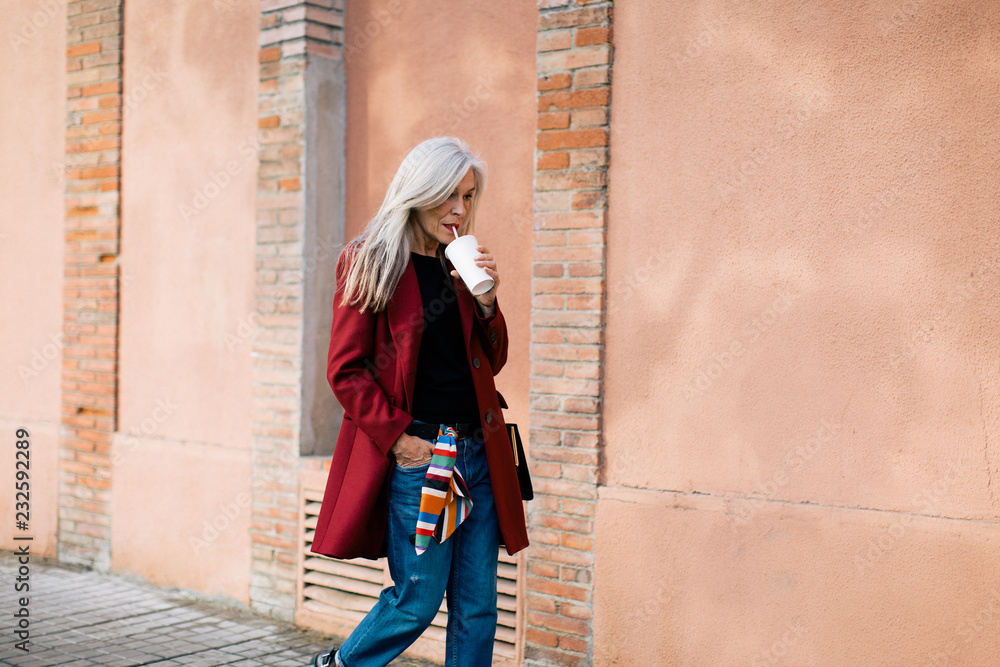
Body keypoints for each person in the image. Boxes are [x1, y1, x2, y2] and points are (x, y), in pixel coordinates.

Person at [309, 136, 529, 667]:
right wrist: (401, 440)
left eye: (469, 197)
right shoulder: (371, 261)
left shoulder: (460, 267)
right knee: (417, 601)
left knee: (478, 606)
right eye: (448, 196)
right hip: (426, 455)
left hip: (480, 453)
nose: (460, 210)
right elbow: (346, 371)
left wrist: (487, 303)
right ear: (418, 191)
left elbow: (490, 362)